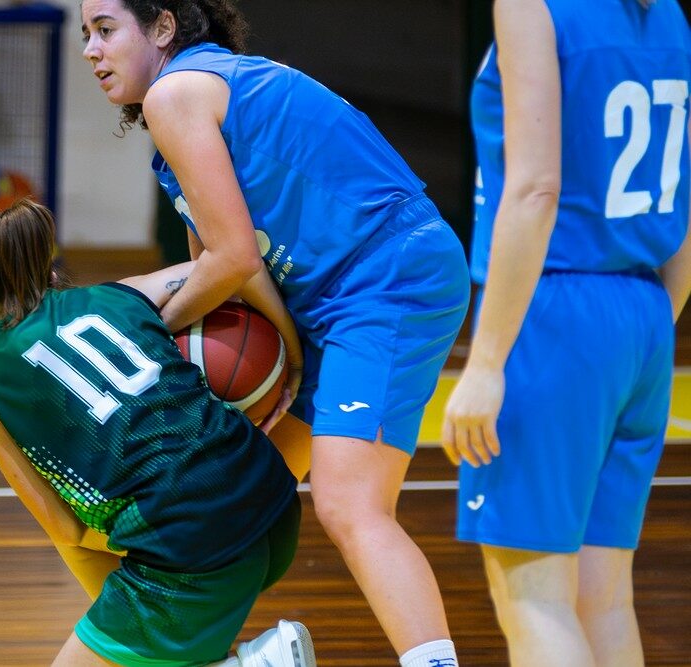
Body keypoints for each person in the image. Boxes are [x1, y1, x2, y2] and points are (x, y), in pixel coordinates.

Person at [80, 2, 470, 665]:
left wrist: (144, 335)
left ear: (163, 27)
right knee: (228, 492)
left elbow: (231, 259)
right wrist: (282, 348)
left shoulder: (179, 94)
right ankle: (250, 658)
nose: (91, 49)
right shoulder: (183, 115)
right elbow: (221, 272)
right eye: (84, 34)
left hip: (383, 274)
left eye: (106, 30)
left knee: (351, 505)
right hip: (332, 296)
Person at [0, 198, 317, 667]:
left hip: (196, 552)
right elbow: (230, 261)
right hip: (276, 508)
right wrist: (290, 352)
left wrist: (146, 536)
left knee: (80, 531)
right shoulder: (122, 293)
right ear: (48, 277)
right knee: (134, 624)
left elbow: (63, 527)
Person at [442, 0, 691, 664]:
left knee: (535, 600)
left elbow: (534, 190)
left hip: (555, 308)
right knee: (603, 600)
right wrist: (641, 333)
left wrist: (488, 361)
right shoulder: (667, 14)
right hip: (644, 312)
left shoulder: (532, 4)